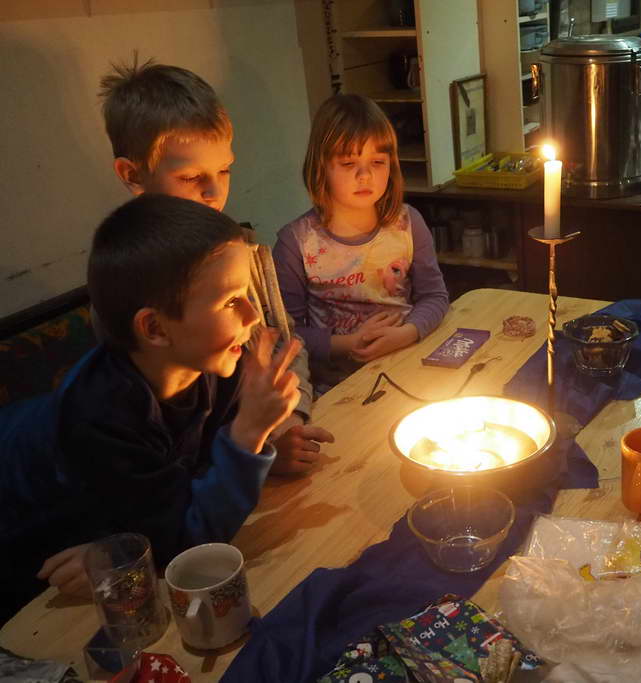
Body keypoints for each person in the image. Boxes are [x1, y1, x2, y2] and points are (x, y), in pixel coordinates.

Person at [0, 195, 299, 623]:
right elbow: (185, 544)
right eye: (231, 301)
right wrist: (249, 435)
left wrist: (266, 447)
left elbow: (196, 468)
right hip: (24, 522)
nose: (252, 315)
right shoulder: (99, 416)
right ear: (156, 328)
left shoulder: (216, 361)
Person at [98, 56, 332, 474]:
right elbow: (174, 441)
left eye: (224, 170)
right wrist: (257, 448)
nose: (214, 192)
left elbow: (282, 342)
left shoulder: (239, 251)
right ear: (132, 174)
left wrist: (289, 420)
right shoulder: (128, 283)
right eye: (191, 178)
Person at [273, 94, 449, 394]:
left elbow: (435, 296)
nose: (365, 175)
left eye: (377, 162)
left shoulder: (408, 223)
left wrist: (407, 333)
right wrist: (346, 344)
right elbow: (286, 335)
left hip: (408, 368)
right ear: (321, 167)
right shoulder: (296, 242)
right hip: (337, 388)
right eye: (348, 163)